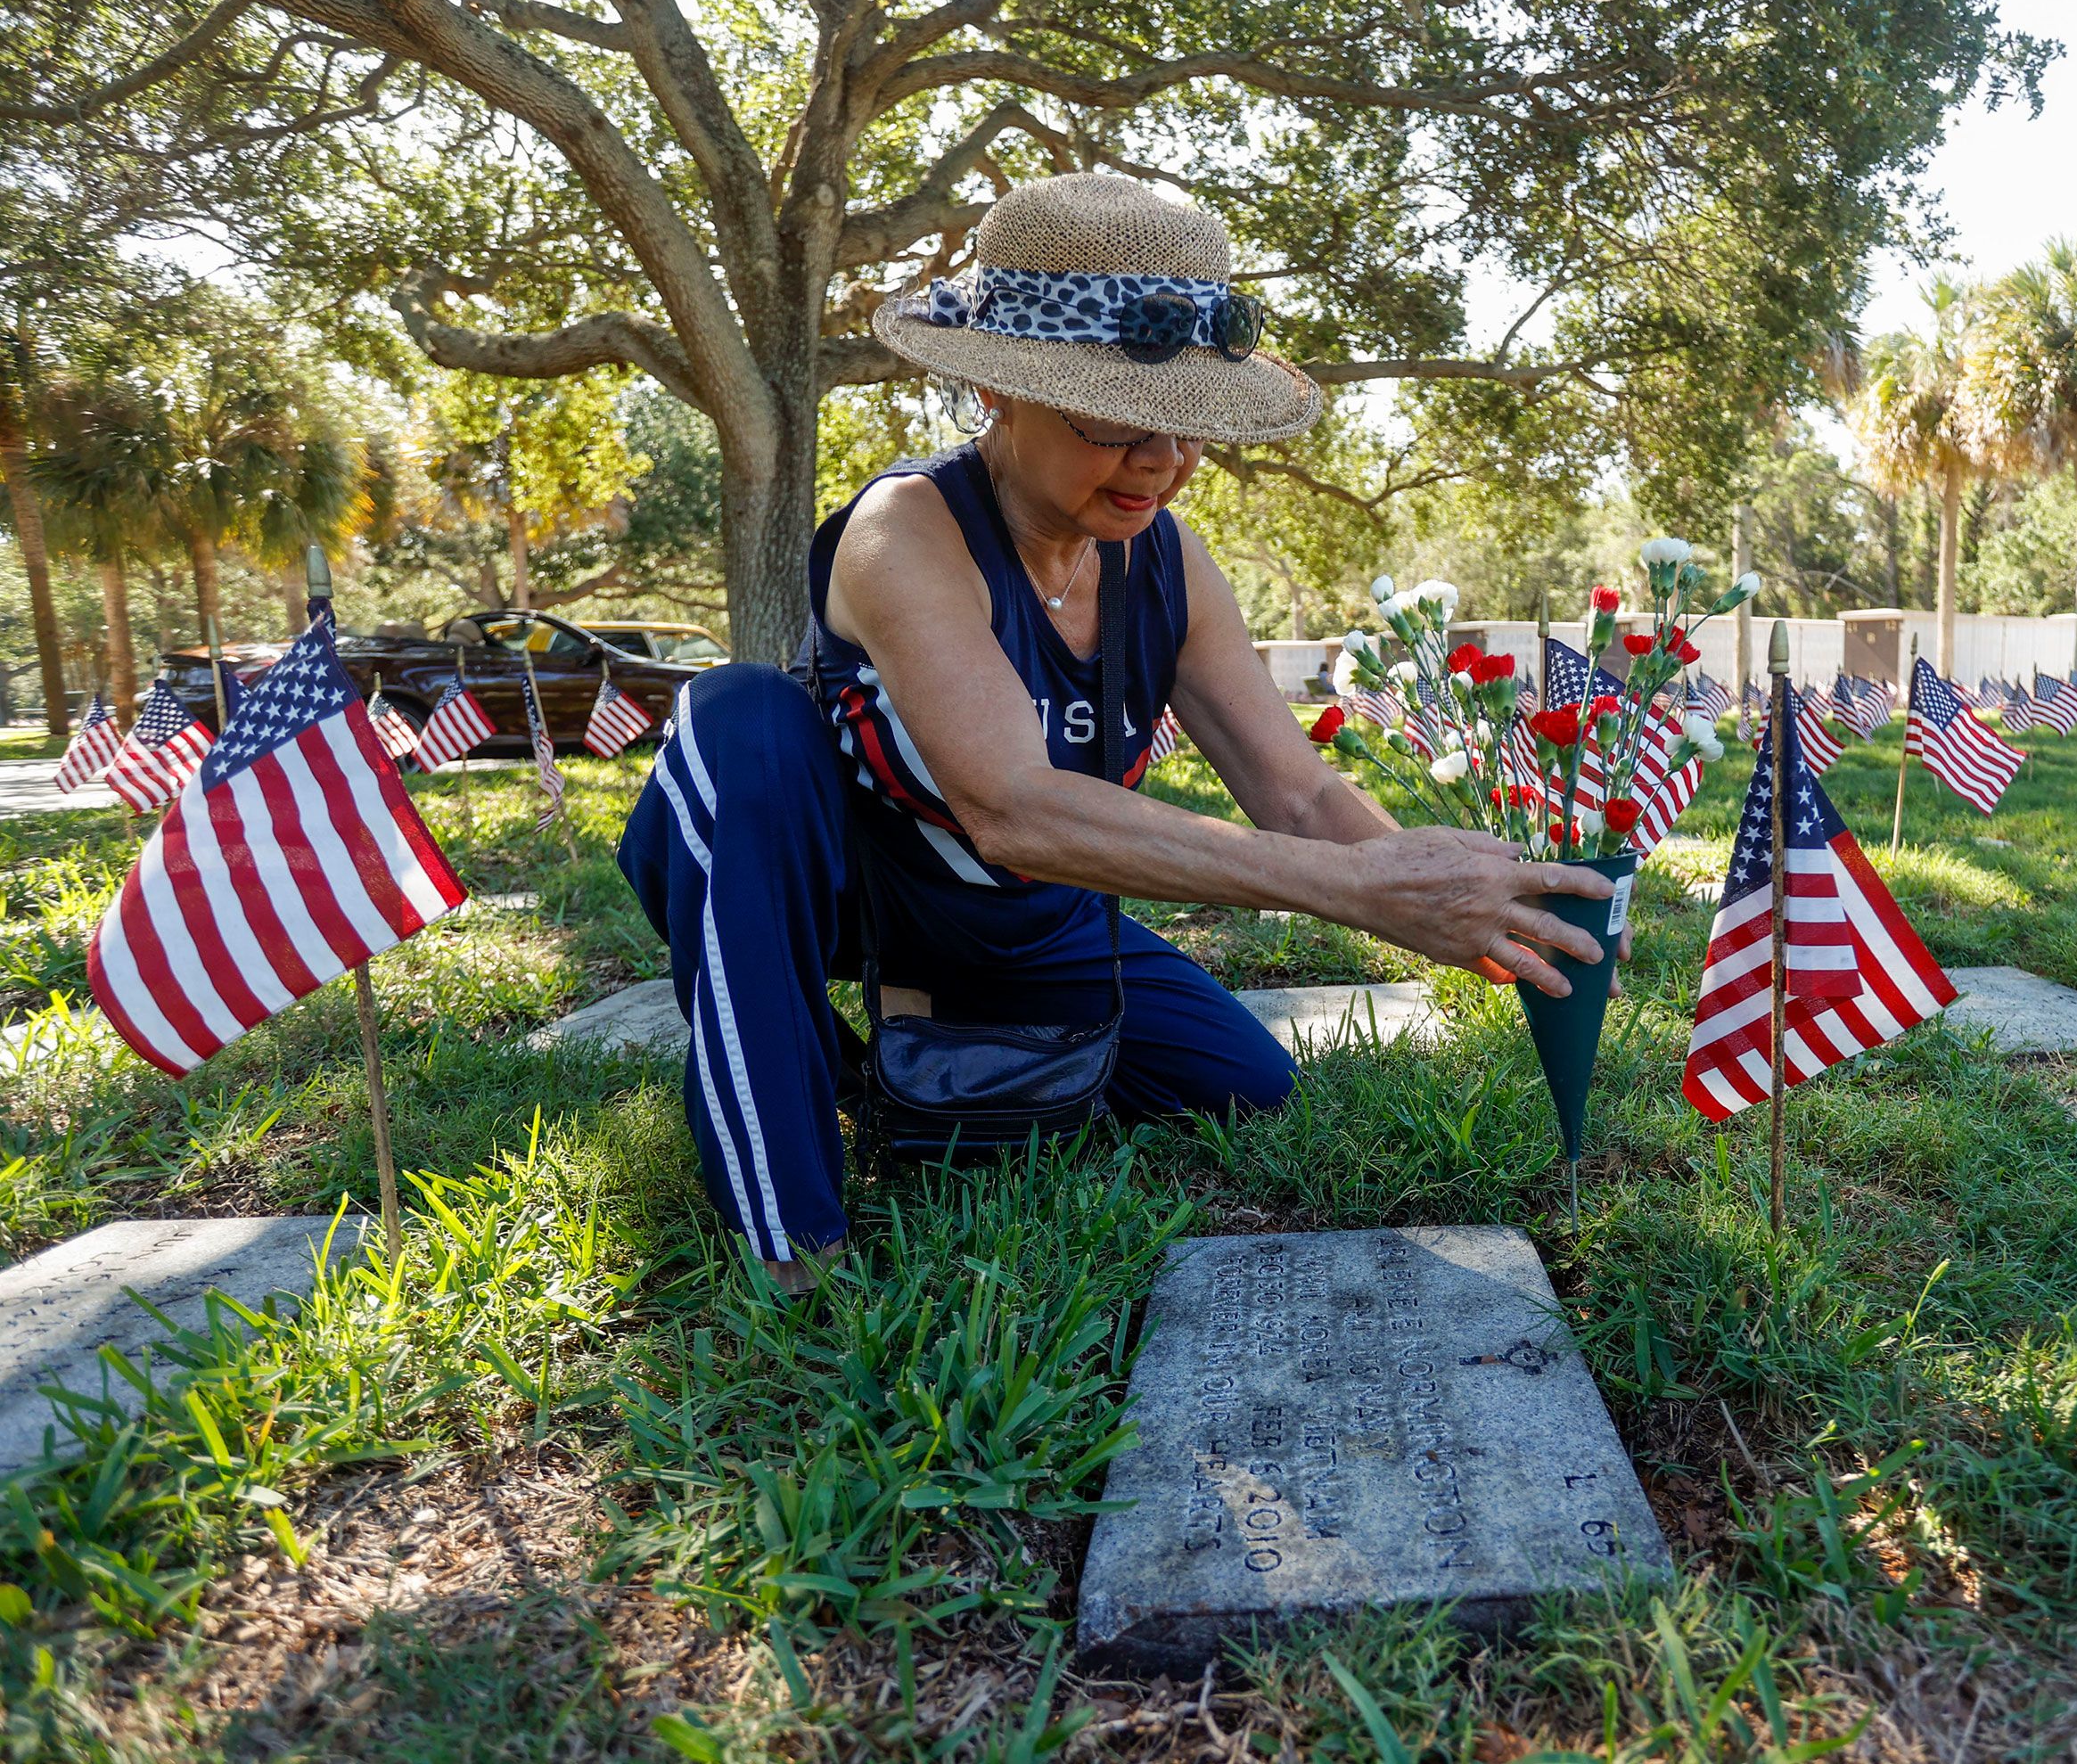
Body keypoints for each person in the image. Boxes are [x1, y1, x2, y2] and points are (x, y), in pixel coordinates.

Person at [619, 172, 1617, 1286]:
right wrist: (1350, 891)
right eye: (1114, 423)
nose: (1160, 462)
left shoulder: (1171, 560)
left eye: (1187, 428)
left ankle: (897, 1054)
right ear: (996, 392)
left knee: (1249, 1083)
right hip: (857, 886)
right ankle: (791, 1231)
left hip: (1024, 917)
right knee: (741, 721)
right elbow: (1013, 807)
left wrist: (1444, 886)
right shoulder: (907, 529)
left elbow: (1294, 795)